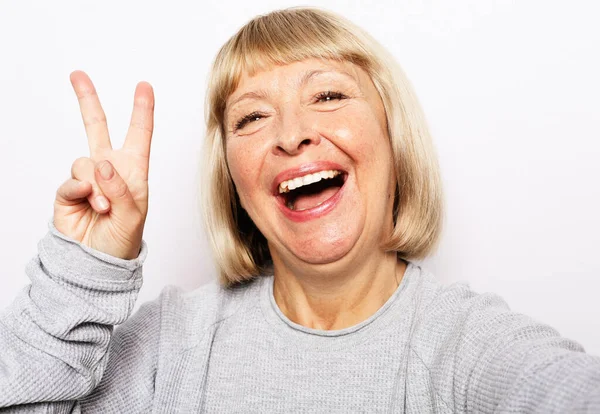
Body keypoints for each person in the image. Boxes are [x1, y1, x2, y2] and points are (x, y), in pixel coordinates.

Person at [0, 7, 599, 413]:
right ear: (233, 179)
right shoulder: (170, 348)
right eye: (252, 117)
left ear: (393, 138)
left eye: (329, 95)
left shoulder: (471, 347)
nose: (292, 134)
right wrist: (87, 270)